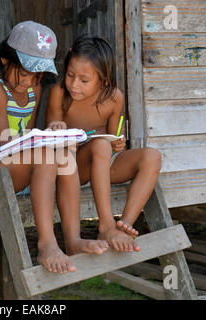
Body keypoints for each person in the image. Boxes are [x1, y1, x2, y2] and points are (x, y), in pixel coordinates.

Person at [0, 22, 108, 274]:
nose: (29, 80)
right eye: (24, 71)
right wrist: (40, 143)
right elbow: (6, 144)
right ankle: (46, 245)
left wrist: (52, 135)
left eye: (36, 74)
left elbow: (25, 136)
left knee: (62, 155)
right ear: (6, 60)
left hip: (14, 170)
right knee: (45, 154)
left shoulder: (34, 89)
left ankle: (72, 240)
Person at [46, 35, 162, 252]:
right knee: (100, 146)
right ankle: (106, 225)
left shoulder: (115, 98)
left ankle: (123, 225)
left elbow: (114, 137)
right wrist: (56, 127)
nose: (74, 84)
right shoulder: (59, 94)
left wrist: (119, 144)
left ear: (104, 80)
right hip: (72, 169)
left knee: (152, 157)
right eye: (70, 75)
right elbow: (51, 138)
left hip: (102, 166)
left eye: (84, 80)